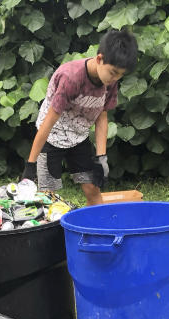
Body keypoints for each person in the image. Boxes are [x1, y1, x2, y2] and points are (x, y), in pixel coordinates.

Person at [22, 29, 138, 205]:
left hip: (79, 136)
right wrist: (30, 166)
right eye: (114, 72)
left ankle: (98, 230)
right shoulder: (71, 78)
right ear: (99, 59)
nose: (116, 79)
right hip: (53, 135)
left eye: (120, 75)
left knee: (93, 189)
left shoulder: (110, 81)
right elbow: (48, 122)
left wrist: (102, 158)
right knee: (47, 196)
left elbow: (102, 117)